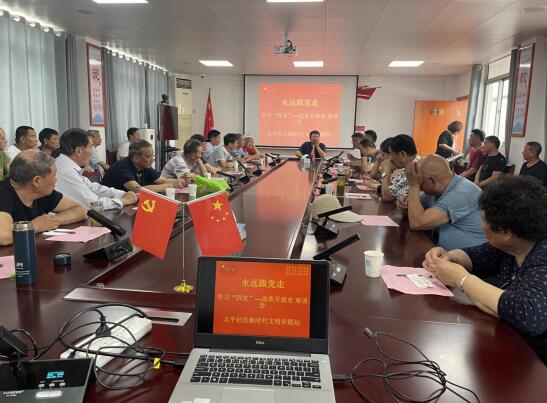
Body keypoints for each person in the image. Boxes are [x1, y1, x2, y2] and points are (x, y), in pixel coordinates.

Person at [422, 176, 547, 363]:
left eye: (484, 219)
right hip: (504, 340)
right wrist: (449, 257)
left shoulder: (542, 256)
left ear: (506, 232)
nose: (482, 225)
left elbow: (529, 316)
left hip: (530, 363)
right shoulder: (516, 244)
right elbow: (477, 256)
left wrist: (461, 280)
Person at [0, 150, 87, 246]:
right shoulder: (3, 193)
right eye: (54, 175)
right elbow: (3, 235)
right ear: (36, 181)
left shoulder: (42, 193)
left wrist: (54, 220)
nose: (56, 179)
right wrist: (36, 226)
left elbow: (80, 210)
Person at [404, 155, 486, 250]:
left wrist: (413, 185)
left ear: (432, 180)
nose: (420, 188)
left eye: (420, 182)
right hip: (443, 252)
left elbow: (417, 223)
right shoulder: (435, 191)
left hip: (470, 257)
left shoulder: (462, 193)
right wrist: (403, 203)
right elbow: (409, 211)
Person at [55, 129, 138, 210]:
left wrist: (123, 194)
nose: (92, 152)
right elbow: (93, 205)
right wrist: (123, 200)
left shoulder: (65, 165)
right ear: (79, 151)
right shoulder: (66, 171)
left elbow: (92, 187)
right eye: (91, 147)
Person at [102, 139, 185, 192]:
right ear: (136, 158)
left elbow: (162, 181)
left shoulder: (144, 165)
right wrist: (170, 186)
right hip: (108, 206)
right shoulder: (122, 168)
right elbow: (138, 190)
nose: (152, 159)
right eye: (148, 156)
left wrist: (180, 181)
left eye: (153, 156)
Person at [380, 134, 419, 203]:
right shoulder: (408, 166)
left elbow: (387, 196)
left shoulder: (415, 169)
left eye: (391, 154)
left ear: (402, 154)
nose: (390, 158)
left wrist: (385, 171)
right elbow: (392, 189)